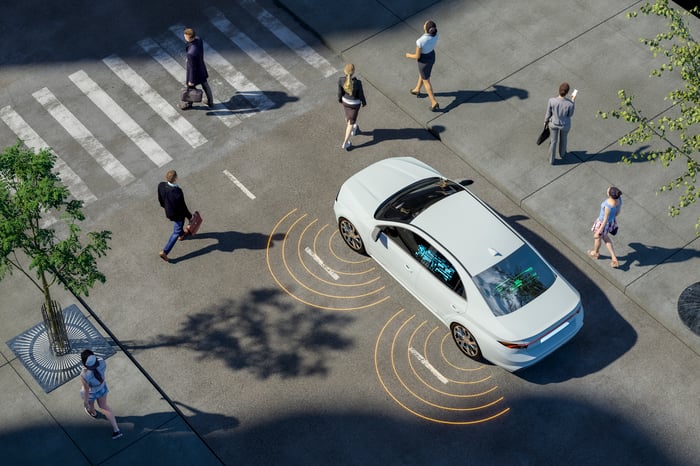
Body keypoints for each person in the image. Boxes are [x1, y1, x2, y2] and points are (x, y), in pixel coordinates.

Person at [80, 349, 122, 440]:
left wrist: (85, 402)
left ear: (84, 363)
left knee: (91, 404)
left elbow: (87, 390)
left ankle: (93, 412)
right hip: (102, 388)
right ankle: (116, 429)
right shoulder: (102, 362)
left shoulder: (84, 375)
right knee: (104, 407)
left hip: (91, 392)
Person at [158, 170, 192, 262]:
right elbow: (183, 207)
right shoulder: (177, 192)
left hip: (168, 211)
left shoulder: (161, 185)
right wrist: (190, 217)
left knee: (179, 228)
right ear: (175, 178)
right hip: (177, 215)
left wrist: (164, 206)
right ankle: (165, 251)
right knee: (175, 232)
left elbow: (160, 198)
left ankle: (181, 234)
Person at [406, 20, 439, 111]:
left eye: (425, 24)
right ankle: (417, 89)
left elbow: (417, 56)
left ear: (426, 28)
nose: (424, 24)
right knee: (424, 74)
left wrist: (409, 55)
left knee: (426, 81)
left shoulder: (420, 41)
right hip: (431, 57)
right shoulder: (436, 35)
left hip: (423, 61)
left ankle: (433, 102)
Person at [179, 27, 214, 110]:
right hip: (201, 67)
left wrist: (191, 80)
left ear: (188, 37)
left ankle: (188, 104)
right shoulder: (198, 39)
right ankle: (210, 101)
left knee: (190, 88)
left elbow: (192, 68)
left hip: (195, 72)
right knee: (205, 84)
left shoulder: (191, 53)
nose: (184, 37)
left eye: (185, 36)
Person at [588, 186, 622, 268]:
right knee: (605, 238)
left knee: (598, 238)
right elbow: (618, 212)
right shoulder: (619, 199)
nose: (608, 189)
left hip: (602, 223)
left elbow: (605, 219)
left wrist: (599, 231)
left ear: (610, 195)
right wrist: (613, 219)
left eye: (609, 190)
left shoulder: (608, 206)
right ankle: (614, 258)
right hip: (611, 221)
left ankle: (595, 253)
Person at [544, 82, 576, 164]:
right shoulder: (570, 104)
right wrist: (573, 101)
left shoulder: (551, 100)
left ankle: (551, 159)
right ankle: (562, 154)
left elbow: (548, 113)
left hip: (553, 124)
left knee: (553, 141)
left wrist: (545, 122)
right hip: (564, 125)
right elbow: (570, 114)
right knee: (564, 139)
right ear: (567, 92)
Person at [337, 64, 367, 151]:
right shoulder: (357, 83)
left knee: (347, 115)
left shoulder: (341, 80)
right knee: (351, 122)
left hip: (345, 102)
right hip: (354, 104)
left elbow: (339, 92)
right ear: (353, 72)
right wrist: (364, 103)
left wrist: (340, 100)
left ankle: (354, 128)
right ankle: (345, 143)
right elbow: (361, 95)